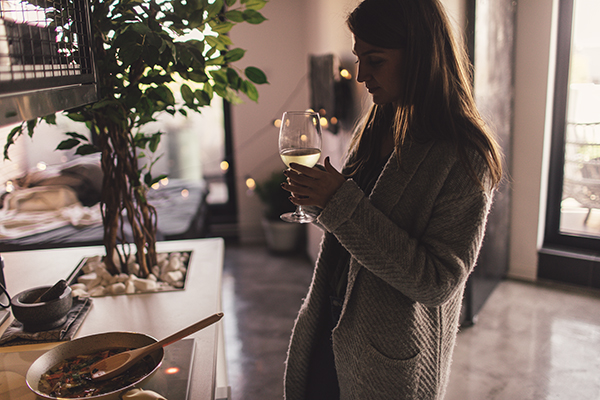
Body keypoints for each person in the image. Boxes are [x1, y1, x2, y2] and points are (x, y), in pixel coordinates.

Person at [280, 0, 504, 399]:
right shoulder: (380, 122)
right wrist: (317, 201)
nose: (361, 74)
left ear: (420, 56)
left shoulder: (465, 154)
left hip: (387, 360)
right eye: (359, 58)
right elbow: (352, 225)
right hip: (329, 325)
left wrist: (339, 203)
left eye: (376, 60)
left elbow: (438, 282)